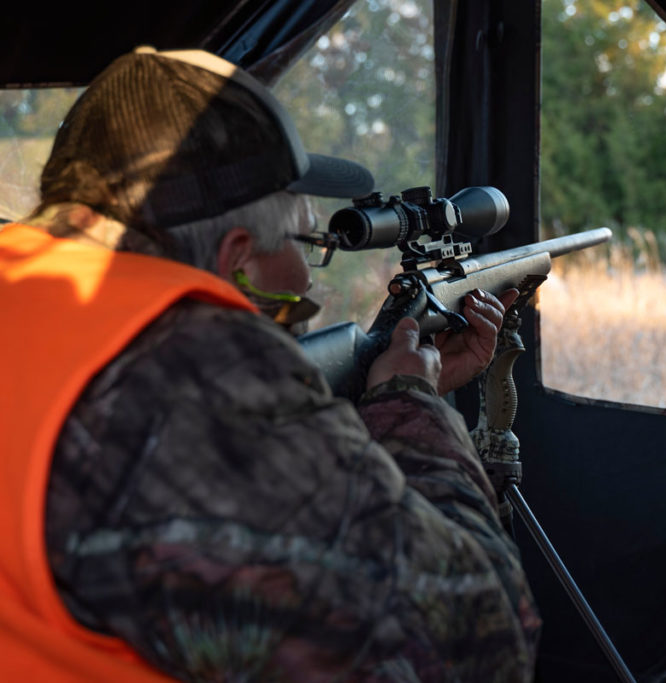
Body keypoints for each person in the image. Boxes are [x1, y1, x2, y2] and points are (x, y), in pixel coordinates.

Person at [0, 47, 540, 681]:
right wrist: (410, 405)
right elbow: (479, 642)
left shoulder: (30, 284)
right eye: (309, 242)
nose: (308, 268)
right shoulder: (188, 367)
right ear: (237, 257)